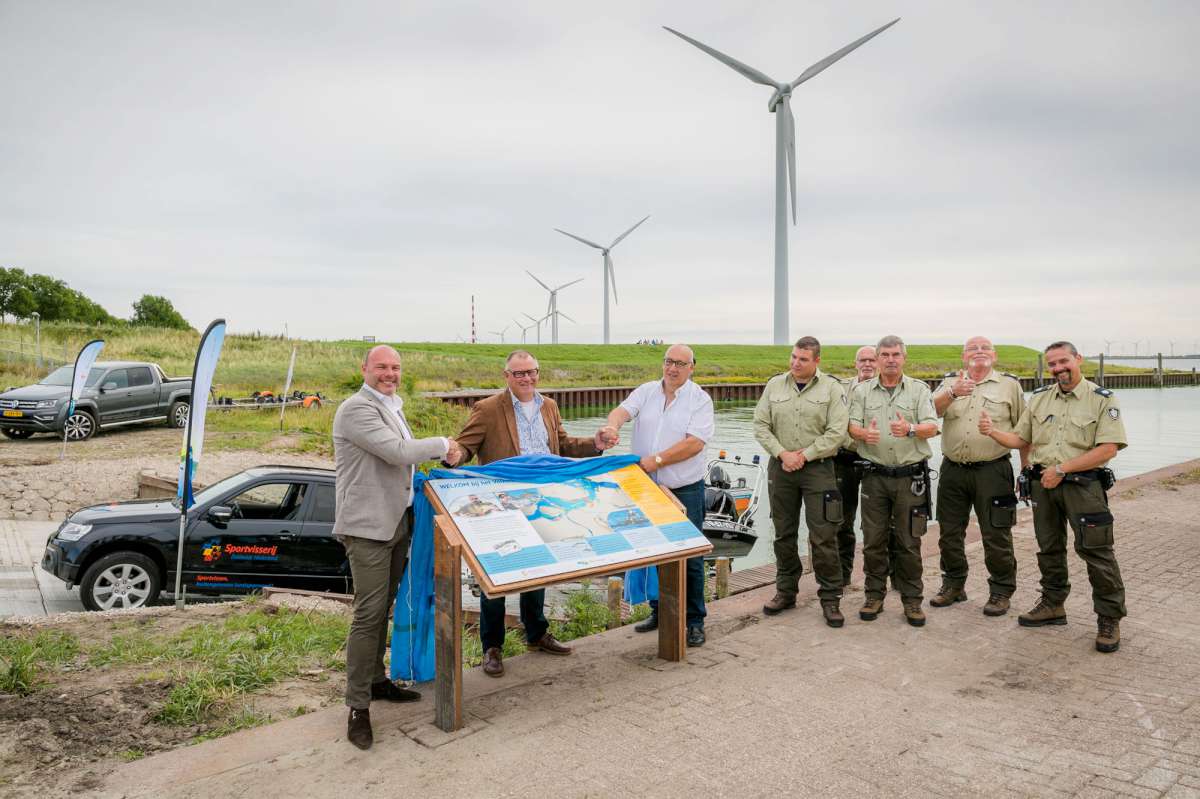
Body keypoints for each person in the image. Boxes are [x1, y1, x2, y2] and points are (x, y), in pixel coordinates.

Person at [333, 345, 464, 750]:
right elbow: (396, 452)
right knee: (368, 614)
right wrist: (444, 443)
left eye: (395, 367)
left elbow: (403, 464)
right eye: (382, 367)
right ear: (364, 370)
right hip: (368, 527)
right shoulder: (356, 409)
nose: (389, 373)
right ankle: (357, 707)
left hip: (396, 521)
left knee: (384, 604)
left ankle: (375, 681)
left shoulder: (391, 406)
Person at [455, 349, 614, 677]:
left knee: (537, 569)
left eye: (532, 372)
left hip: (542, 501)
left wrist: (595, 444)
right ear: (506, 377)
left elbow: (563, 447)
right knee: (496, 574)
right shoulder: (487, 409)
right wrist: (450, 456)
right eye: (519, 374)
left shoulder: (549, 406)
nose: (526, 378)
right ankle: (492, 646)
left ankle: (536, 632)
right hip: (501, 505)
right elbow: (465, 447)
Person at [979, 341, 1127, 653]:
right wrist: (992, 431)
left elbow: (1108, 448)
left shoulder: (1102, 399)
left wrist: (1062, 468)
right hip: (1044, 487)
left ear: (1078, 359)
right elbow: (1021, 439)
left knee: (1096, 552)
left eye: (1064, 362)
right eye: (1053, 365)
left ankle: (1109, 618)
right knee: (1049, 549)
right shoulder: (1040, 398)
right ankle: (1053, 604)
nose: (1059, 369)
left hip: (1083, 487)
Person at [600, 343, 714, 646]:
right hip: (646, 488)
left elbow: (695, 443)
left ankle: (694, 620)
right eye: (668, 361)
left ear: (692, 367)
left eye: (679, 363)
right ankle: (659, 610)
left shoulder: (699, 400)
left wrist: (656, 461)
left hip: (684, 489)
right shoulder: (647, 391)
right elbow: (622, 411)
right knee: (652, 552)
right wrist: (612, 427)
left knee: (688, 558)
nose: (672, 368)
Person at [753, 337, 850, 626]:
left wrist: (803, 456)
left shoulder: (832, 388)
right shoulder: (774, 386)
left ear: (817, 361)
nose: (796, 363)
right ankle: (786, 591)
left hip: (818, 469)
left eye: (803, 359)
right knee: (783, 533)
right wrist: (783, 453)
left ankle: (831, 598)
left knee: (823, 535)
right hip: (781, 468)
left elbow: (837, 432)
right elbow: (760, 425)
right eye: (794, 357)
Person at [930, 336, 1027, 616]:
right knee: (949, 532)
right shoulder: (950, 383)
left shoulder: (1010, 385)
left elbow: (1025, 433)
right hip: (953, 471)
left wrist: (1025, 471)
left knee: (996, 533)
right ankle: (953, 585)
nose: (979, 352)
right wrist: (952, 393)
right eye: (973, 348)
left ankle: (1000, 590)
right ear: (964, 357)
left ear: (994, 356)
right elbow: (930, 414)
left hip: (993, 470)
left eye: (985, 348)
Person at [847, 335, 939, 627]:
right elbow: (849, 426)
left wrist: (910, 428)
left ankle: (912, 600)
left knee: (908, 542)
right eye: (884, 354)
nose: (889, 359)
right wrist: (862, 435)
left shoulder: (918, 390)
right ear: (876, 359)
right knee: (873, 541)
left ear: (903, 358)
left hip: (908, 478)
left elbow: (932, 427)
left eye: (895, 354)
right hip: (874, 477)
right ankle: (874, 595)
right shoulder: (861, 392)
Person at [833, 345, 876, 586]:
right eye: (863, 360)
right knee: (841, 520)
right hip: (844, 460)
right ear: (855, 363)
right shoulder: (840, 387)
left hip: (875, 460)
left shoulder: (887, 388)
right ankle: (842, 574)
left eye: (872, 360)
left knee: (877, 523)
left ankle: (880, 575)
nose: (867, 364)